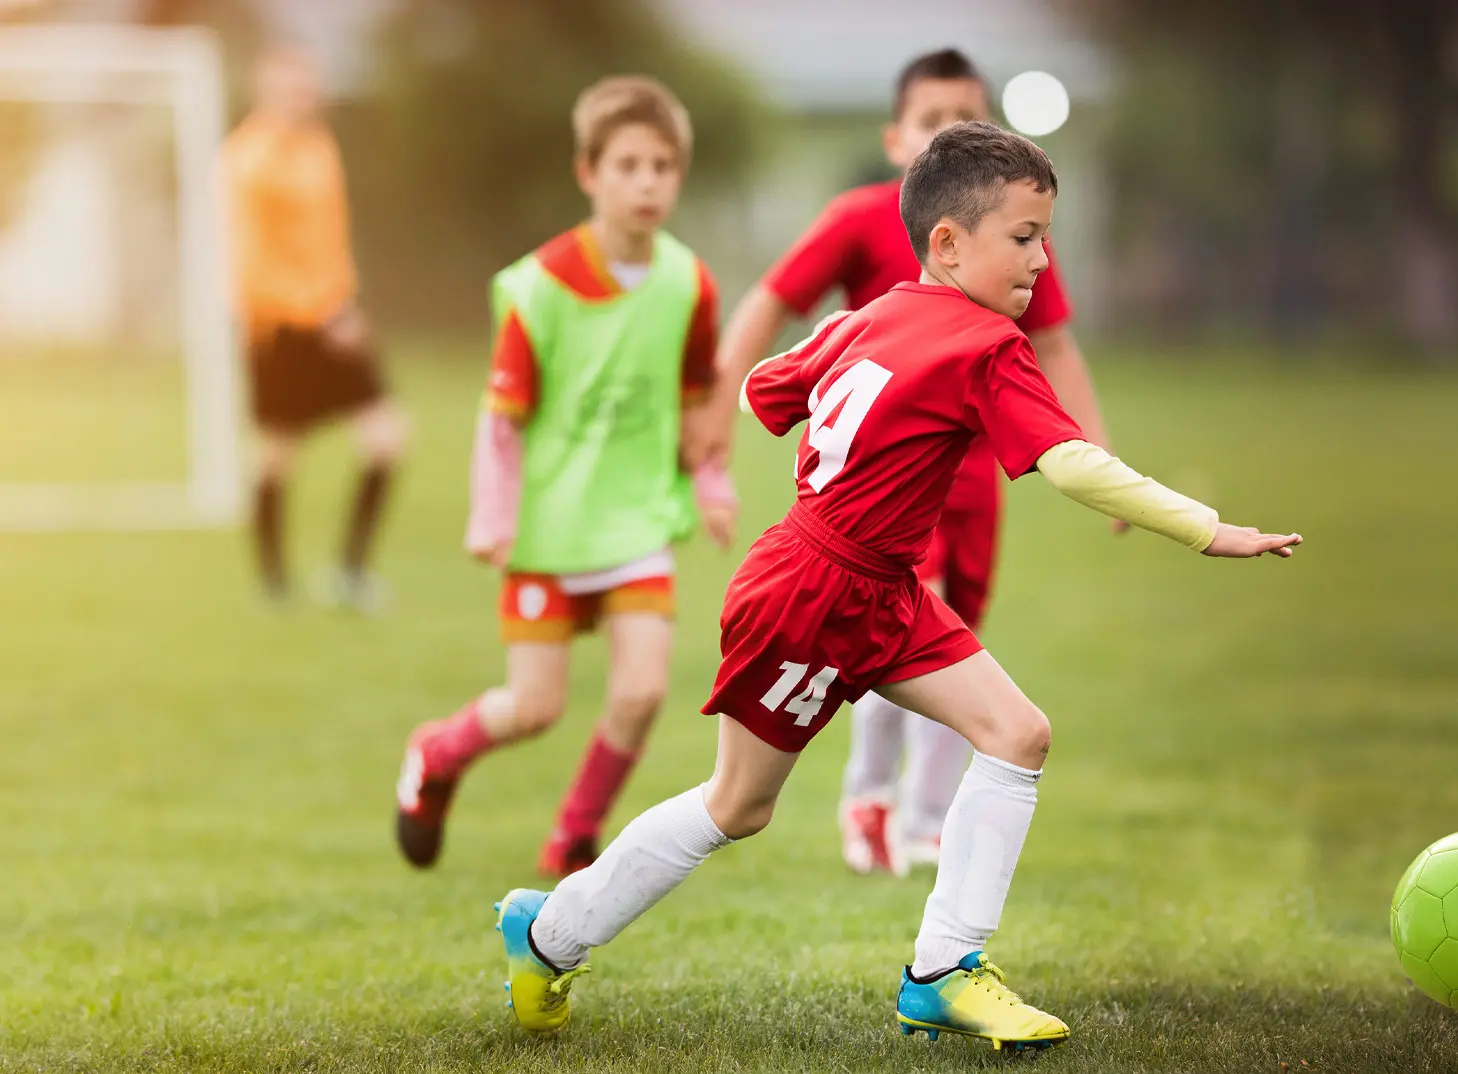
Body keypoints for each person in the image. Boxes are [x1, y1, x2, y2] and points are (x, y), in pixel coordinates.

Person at [491, 122, 1303, 1050]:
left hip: (881, 585)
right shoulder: (989, 345)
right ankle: (548, 934)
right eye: (1025, 237)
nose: (1044, 259)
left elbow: (767, 391)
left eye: (1046, 235)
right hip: (811, 593)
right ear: (949, 243)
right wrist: (1208, 530)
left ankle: (942, 972)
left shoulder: (878, 312)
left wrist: (843, 344)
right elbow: (1071, 464)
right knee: (738, 807)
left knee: (1017, 733)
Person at [692, 48, 1118, 877]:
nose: (948, 134)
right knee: (885, 629)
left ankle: (927, 819)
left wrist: (1093, 453)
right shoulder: (861, 219)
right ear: (897, 140)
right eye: (932, 121)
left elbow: (1057, 344)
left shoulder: (1016, 239)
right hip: (875, 486)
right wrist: (717, 400)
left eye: (967, 117)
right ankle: (870, 799)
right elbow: (773, 302)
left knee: (954, 646)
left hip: (971, 480)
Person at [392, 76, 736, 878]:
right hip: (550, 531)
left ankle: (574, 836)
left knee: (644, 690)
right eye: (628, 165)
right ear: (588, 173)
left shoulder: (691, 283)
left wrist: (712, 487)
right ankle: (437, 752)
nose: (648, 182)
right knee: (535, 708)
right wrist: (494, 517)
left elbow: (698, 404)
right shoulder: (538, 286)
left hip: (638, 523)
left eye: (662, 166)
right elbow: (501, 418)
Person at [223, 45, 407, 612]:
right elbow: (254, 262)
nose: (302, 98)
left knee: (388, 438)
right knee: (276, 455)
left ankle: (350, 572)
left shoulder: (320, 148)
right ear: (264, 90)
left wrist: (343, 302)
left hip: (333, 317)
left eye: (308, 87)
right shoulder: (247, 160)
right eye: (289, 88)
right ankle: (273, 582)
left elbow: (328, 242)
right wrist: (320, 311)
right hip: (283, 326)